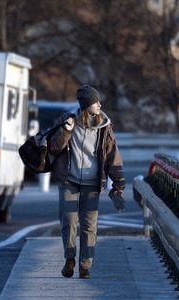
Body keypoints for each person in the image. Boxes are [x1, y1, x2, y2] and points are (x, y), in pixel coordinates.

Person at [48, 85, 126, 279]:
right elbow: (54, 148)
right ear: (86, 105)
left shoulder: (104, 128)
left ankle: (85, 266)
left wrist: (119, 184)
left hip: (93, 182)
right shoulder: (68, 121)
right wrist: (65, 131)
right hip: (69, 180)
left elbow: (112, 156)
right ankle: (69, 258)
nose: (100, 104)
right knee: (69, 221)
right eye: (95, 101)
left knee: (89, 225)